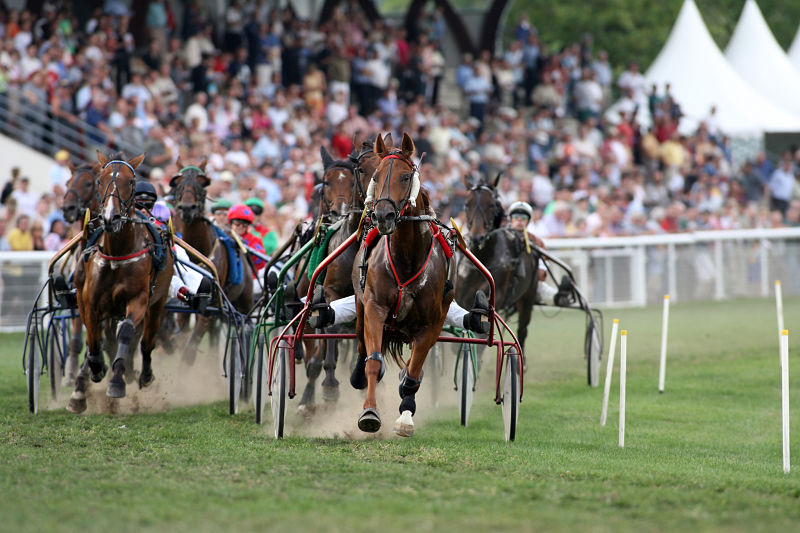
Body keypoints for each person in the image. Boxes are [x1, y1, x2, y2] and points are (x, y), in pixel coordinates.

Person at [507, 201, 574, 307]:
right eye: (516, 217)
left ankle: (559, 297)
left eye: (523, 218)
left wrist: (537, 276)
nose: (519, 220)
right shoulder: (501, 238)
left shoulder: (536, 241)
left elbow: (543, 264)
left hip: (528, 283)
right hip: (505, 283)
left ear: (528, 221)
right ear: (511, 219)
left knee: (541, 288)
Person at [227, 204, 266, 274]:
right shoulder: (224, 238)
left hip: (251, 276)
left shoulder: (255, 240)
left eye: (244, 224)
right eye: (237, 224)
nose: (241, 227)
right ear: (231, 223)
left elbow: (261, 263)